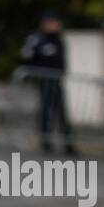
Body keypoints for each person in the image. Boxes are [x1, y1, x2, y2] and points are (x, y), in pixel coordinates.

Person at [20, 11, 76, 154]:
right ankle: (46, 143)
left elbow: (61, 60)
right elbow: (26, 56)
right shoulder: (37, 39)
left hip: (56, 81)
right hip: (43, 81)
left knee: (62, 114)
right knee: (45, 112)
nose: (56, 25)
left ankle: (69, 145)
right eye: (53, 23)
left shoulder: (58, 39)